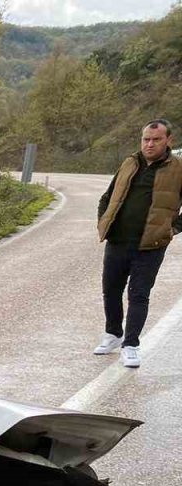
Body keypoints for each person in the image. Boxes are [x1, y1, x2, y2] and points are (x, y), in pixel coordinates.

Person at [95, 119, 182, 368]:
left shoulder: (178, 168)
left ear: (169, 141)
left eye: (156, 139)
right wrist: (103, 222)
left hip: (150, 245)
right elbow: (108, 196)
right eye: (146, 139)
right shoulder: (130, 162)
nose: (150, 144)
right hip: (117, 241)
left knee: (139, 295)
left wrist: (172, 229)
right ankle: (113, 334)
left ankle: (131, 345)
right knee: (111, 290)